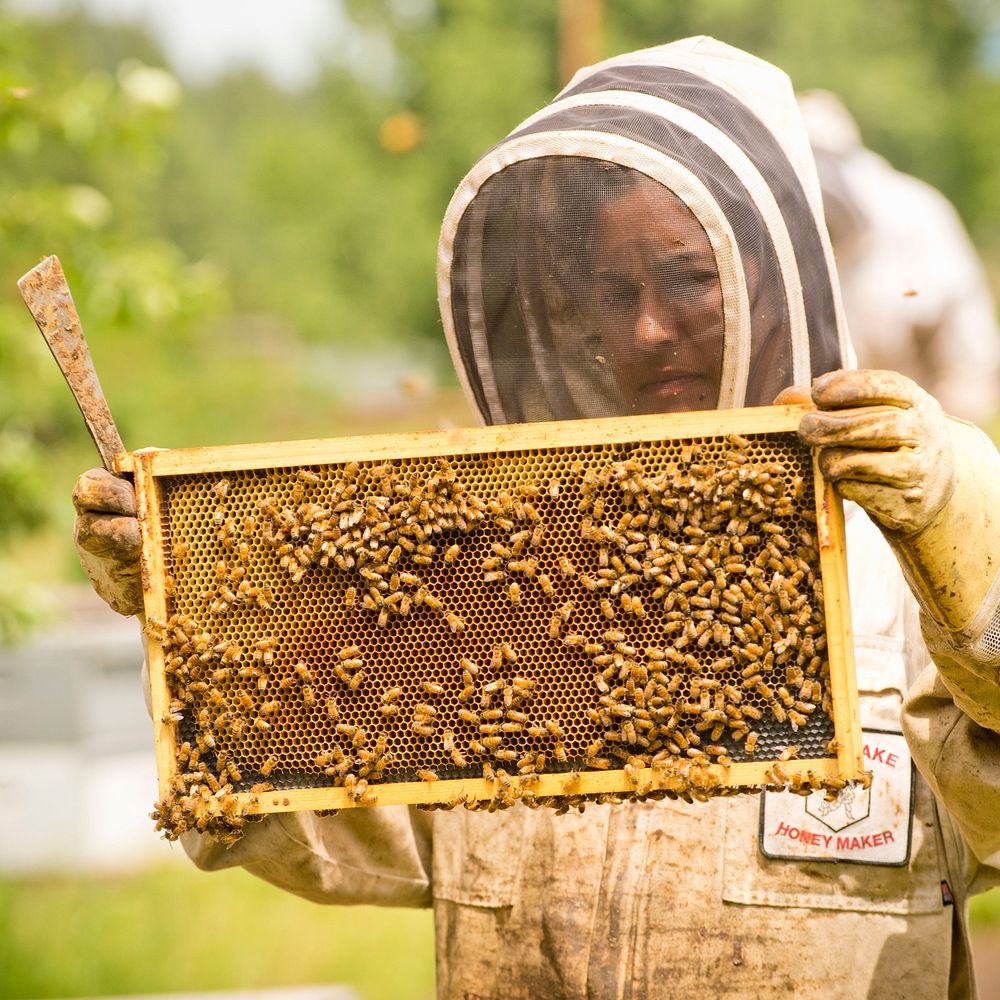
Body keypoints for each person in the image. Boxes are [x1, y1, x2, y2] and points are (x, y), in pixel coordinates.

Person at [73, 37, 1000, 999]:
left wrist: (968, 557)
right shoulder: (501, 580)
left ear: (773, 275)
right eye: (612, 291)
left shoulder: (905, 549)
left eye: (688, 276)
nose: (647, 327)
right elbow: (339, 826)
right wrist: (204, 626)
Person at [798, 89, 1000, 425]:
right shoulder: (763, 232)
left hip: (915, 432)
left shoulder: (918, 215)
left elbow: (970, 363)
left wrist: (947, 447)